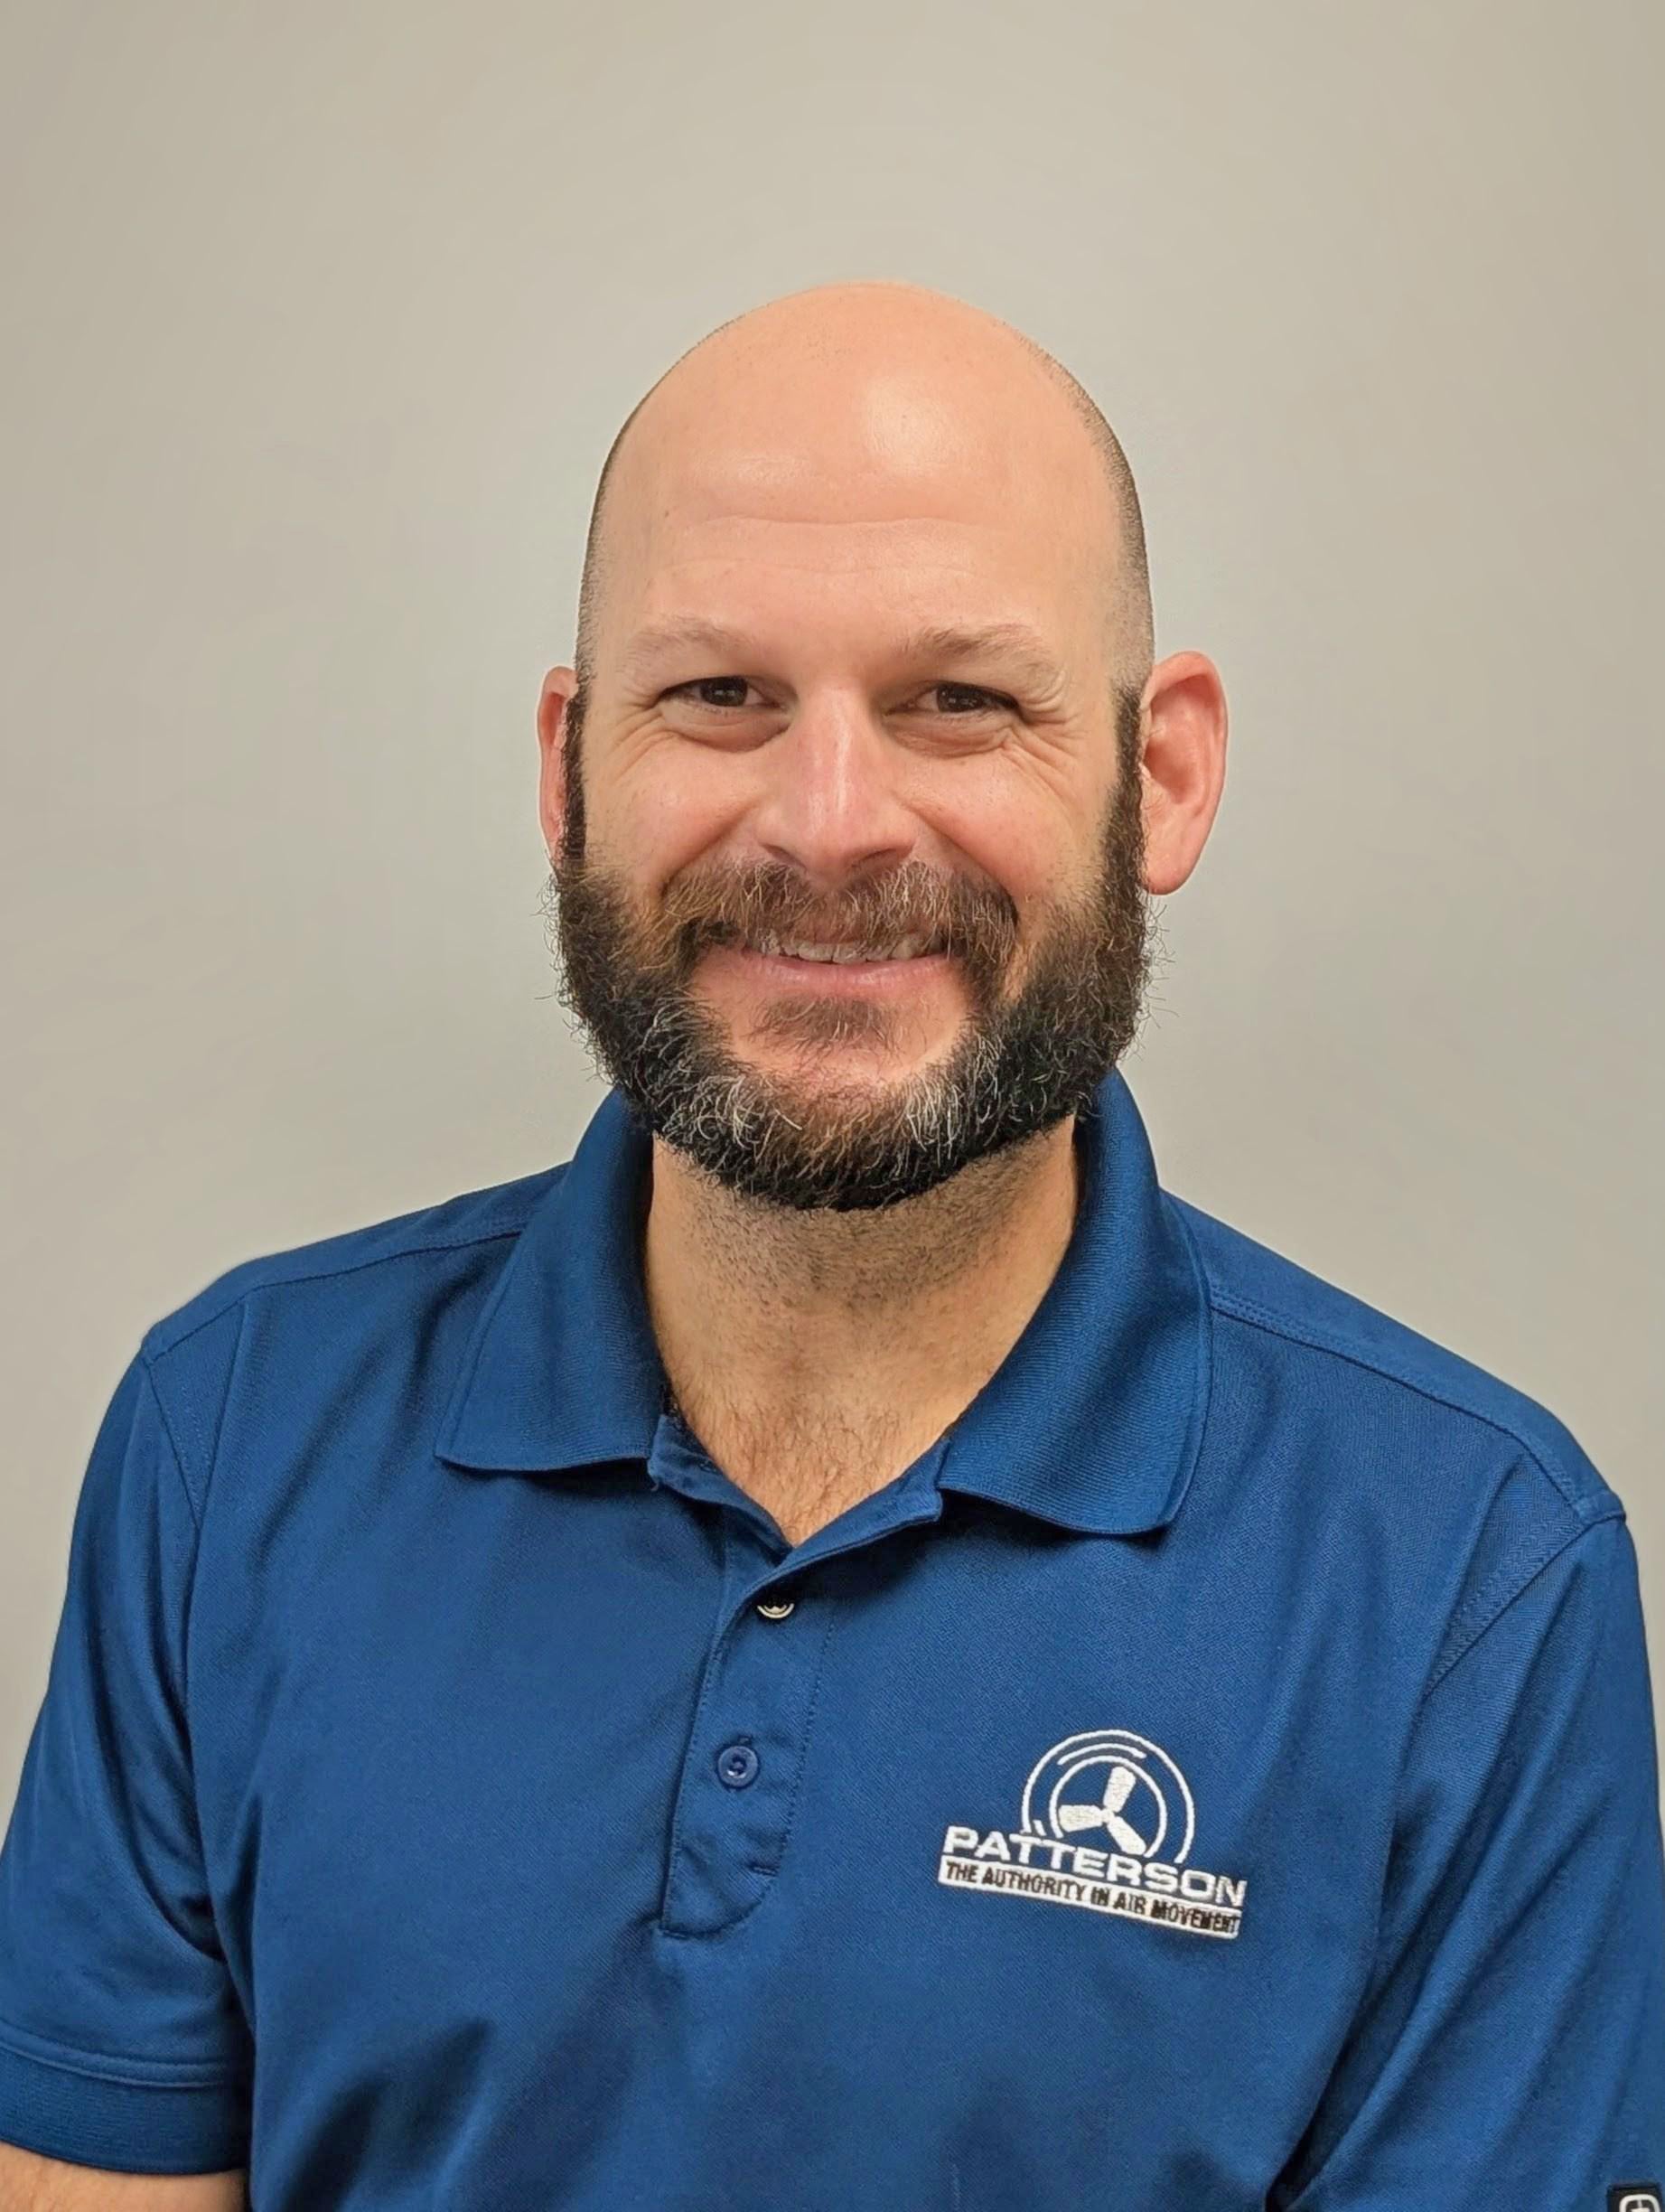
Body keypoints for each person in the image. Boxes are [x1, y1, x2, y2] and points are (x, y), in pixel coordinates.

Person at [0, 278, 1660, 2211]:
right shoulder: (234, 1439)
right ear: (566, 771)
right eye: (718, 696)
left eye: (960, 701)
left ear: (1165, 774)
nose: (829, 822)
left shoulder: (1470, 1575)